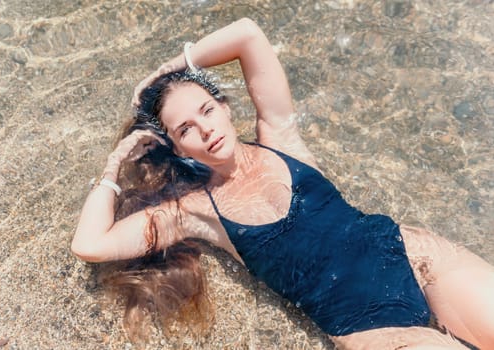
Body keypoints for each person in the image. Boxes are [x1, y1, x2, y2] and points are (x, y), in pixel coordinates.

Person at [72, 18, 494, 349]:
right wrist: (114, 166)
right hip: (371, 326)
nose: (205, 129)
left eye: (206, 110)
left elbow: (247, 34)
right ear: (179, 149)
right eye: (185, 129)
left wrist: (171, 68)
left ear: (224, 106)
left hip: (414, 256)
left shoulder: (280, 138)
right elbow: (90, 244)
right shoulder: (194, 211)